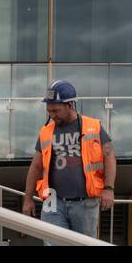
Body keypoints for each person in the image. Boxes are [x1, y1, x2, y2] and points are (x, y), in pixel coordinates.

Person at [21, 80, 115, 243]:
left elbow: (110, 158)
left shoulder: (93, 126)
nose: (52, 115)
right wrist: (28, 199)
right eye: (49, 111)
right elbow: (35, 167)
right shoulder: (45, 132)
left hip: (85, 203)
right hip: (53, 203)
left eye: (56, 110)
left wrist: (108, 189)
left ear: (70, 105)